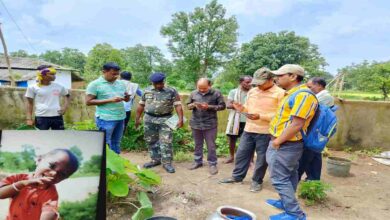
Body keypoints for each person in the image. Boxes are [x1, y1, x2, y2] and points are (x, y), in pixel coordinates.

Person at [219, 68, 285, 192]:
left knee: (261, 159)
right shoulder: (253, 91)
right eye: (257, 83)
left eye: (261, 82)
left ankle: (257, 181)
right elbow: (248, 108)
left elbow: (281, 115)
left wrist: (261, 116)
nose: (258, 85)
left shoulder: (280, 93)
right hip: (249, 129)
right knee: (241, 154)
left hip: (266, 132)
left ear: (271, 80)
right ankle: (237, 176)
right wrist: (242, 108)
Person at [266, 64, 318, 220]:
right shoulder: (291, 94)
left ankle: (295, 214)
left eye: (280, 75)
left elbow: (297, 124)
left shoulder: (303, 95)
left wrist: (277, 142)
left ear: (293, 76)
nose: (276, 78)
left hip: (285, 144)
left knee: (279, 178)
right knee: (290, 174)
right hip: (286, 143)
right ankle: (285, 202)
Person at [0, 149, 79, 220]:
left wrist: (51, 215)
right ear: (39, 160)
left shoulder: (51, 195)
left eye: (62, 174)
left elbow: (49, 212)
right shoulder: (17, 178)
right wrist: (22, 184)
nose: (53, 173)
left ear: (64, 179)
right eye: (52, 166)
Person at [135, 72, 184, 173]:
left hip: (166, 119)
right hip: (149, 119)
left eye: (160, 83)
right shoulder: (147, 90)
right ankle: (155, 160)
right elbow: (141, 105)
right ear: (152, 83)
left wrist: (180, 119)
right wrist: (137, 118)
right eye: (156, 84)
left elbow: (178, 105)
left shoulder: (172, 91)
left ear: (164, 81)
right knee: (151, 140)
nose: (159, 85)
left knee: (166, 141)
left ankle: (167, 163)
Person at [86, 62, 130, 154]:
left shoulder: (121, 84)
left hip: (120, 117)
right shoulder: (95, 84)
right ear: (104, 72)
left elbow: (126, 100)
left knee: (116, 143)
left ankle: (116, 165)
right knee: (105, 144)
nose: (116, 76)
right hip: (105, 119)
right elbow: (88, 102)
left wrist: (127, 97)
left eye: (117, 74)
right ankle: (105, 166)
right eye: (113, 74)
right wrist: (110, 100)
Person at [298, 77, 334, 181]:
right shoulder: (319, 96)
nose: (308, 89)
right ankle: (312, 178)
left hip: (316, 130)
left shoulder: (325, 97)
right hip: (314, 130)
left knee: (309, 154)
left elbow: (308, 107)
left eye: (310, 87)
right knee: (313, 155)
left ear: (319, 85)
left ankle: (303, 178)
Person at [187, 78, 226, 175]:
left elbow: (222, 106)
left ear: (210, 85)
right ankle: (197, 161)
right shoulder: (193, 93)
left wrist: (209, 107)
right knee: (197, 144)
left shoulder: (216, 93)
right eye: (199, 88)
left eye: (204, 88)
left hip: (210, 124)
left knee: (211, 145)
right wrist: (192, 105)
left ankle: (212, 164)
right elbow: (188, 105)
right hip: (195, 123)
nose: (201, 90)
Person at [25, 65, 70, 130]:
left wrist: (65, 107)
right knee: (42, 138)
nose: (54, 76)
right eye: (51, 74)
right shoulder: (33, 87)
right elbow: (29, 103)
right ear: (42, 75)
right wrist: (29, 119)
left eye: (54, 74)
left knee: (59, 137)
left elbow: (67, 95)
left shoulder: (59, 86)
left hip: (57, 117)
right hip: (41, 117)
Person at [224, 75, 252, 164]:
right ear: (241, 82)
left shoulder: (254, 92)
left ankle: (251, 160)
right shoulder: (233, 92)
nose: (250, 84)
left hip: (249, 120)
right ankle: (231, 156)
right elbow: (228, 105)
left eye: (251, 82)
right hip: (236, 120)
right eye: (247, 82)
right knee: (232, 139)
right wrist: (238, 106)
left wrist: (240, 106)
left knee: (251, 141)